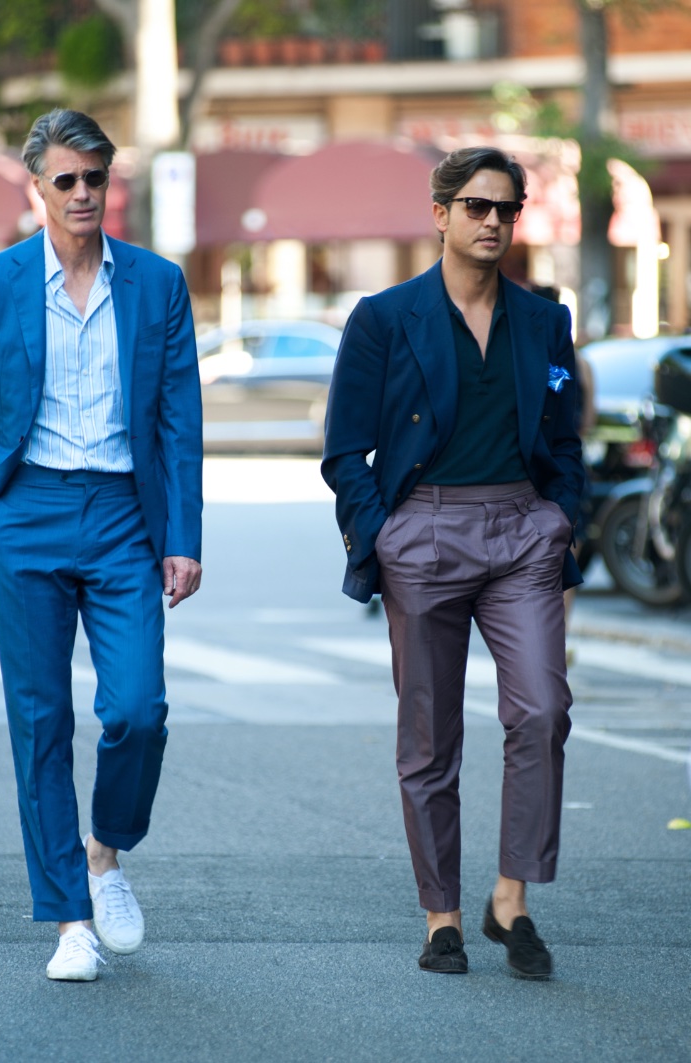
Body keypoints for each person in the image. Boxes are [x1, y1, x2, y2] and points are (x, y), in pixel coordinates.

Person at [0, 109, 203, 982]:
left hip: (125, 514)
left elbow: (179, 420)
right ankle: (69, 921)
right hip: (28, 514)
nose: (84, 194)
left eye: (96, 178)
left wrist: (183, 537)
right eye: (67, 180)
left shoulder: (158, 284)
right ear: (36, 188)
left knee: (136, 709)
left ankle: (105, 851)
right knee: (42, 721)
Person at [322, 146, 585, 980]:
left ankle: (511, 898)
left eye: (506, 208)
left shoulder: (543, 321)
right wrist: (384, 534)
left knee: (541, 711)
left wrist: (561, 518)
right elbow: (343, 451)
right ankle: (443, 915)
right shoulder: (384, 316)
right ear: (440, 214)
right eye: (476, 206)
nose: (493, 222)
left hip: (521, 530)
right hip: (424, 532)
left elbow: (566, 440)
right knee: (430, 739)